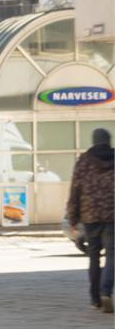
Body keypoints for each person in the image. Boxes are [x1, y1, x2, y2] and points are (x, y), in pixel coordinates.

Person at [66, 127, 114, 312]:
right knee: (112, 254)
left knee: (94, 255)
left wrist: (73, 217)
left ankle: (95, 299)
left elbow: (75, 188)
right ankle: (106, 292)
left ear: (94, 140)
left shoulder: (84, 160)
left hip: (90, 215)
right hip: (112, 214)